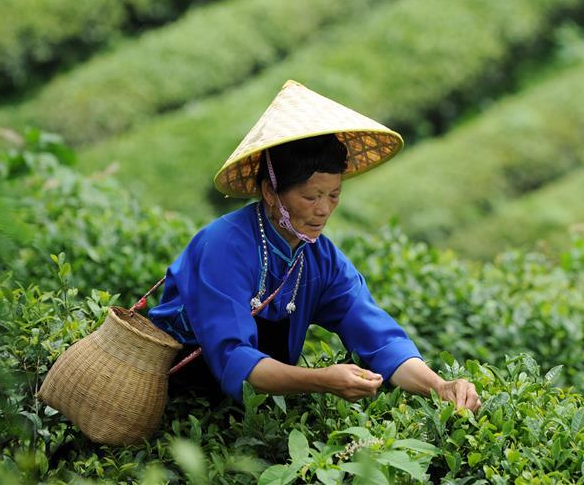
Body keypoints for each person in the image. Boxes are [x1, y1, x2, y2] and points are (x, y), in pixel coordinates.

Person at [149, 80, 480, 411]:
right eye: (311, 196)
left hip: (245, 413)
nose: (324, 209)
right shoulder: (223, 246)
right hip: (176, 403)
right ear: (270, 192)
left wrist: (439, 386)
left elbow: (378, 337)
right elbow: (234, 358)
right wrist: (322, 380)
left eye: (333, 195)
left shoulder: (321, 259)